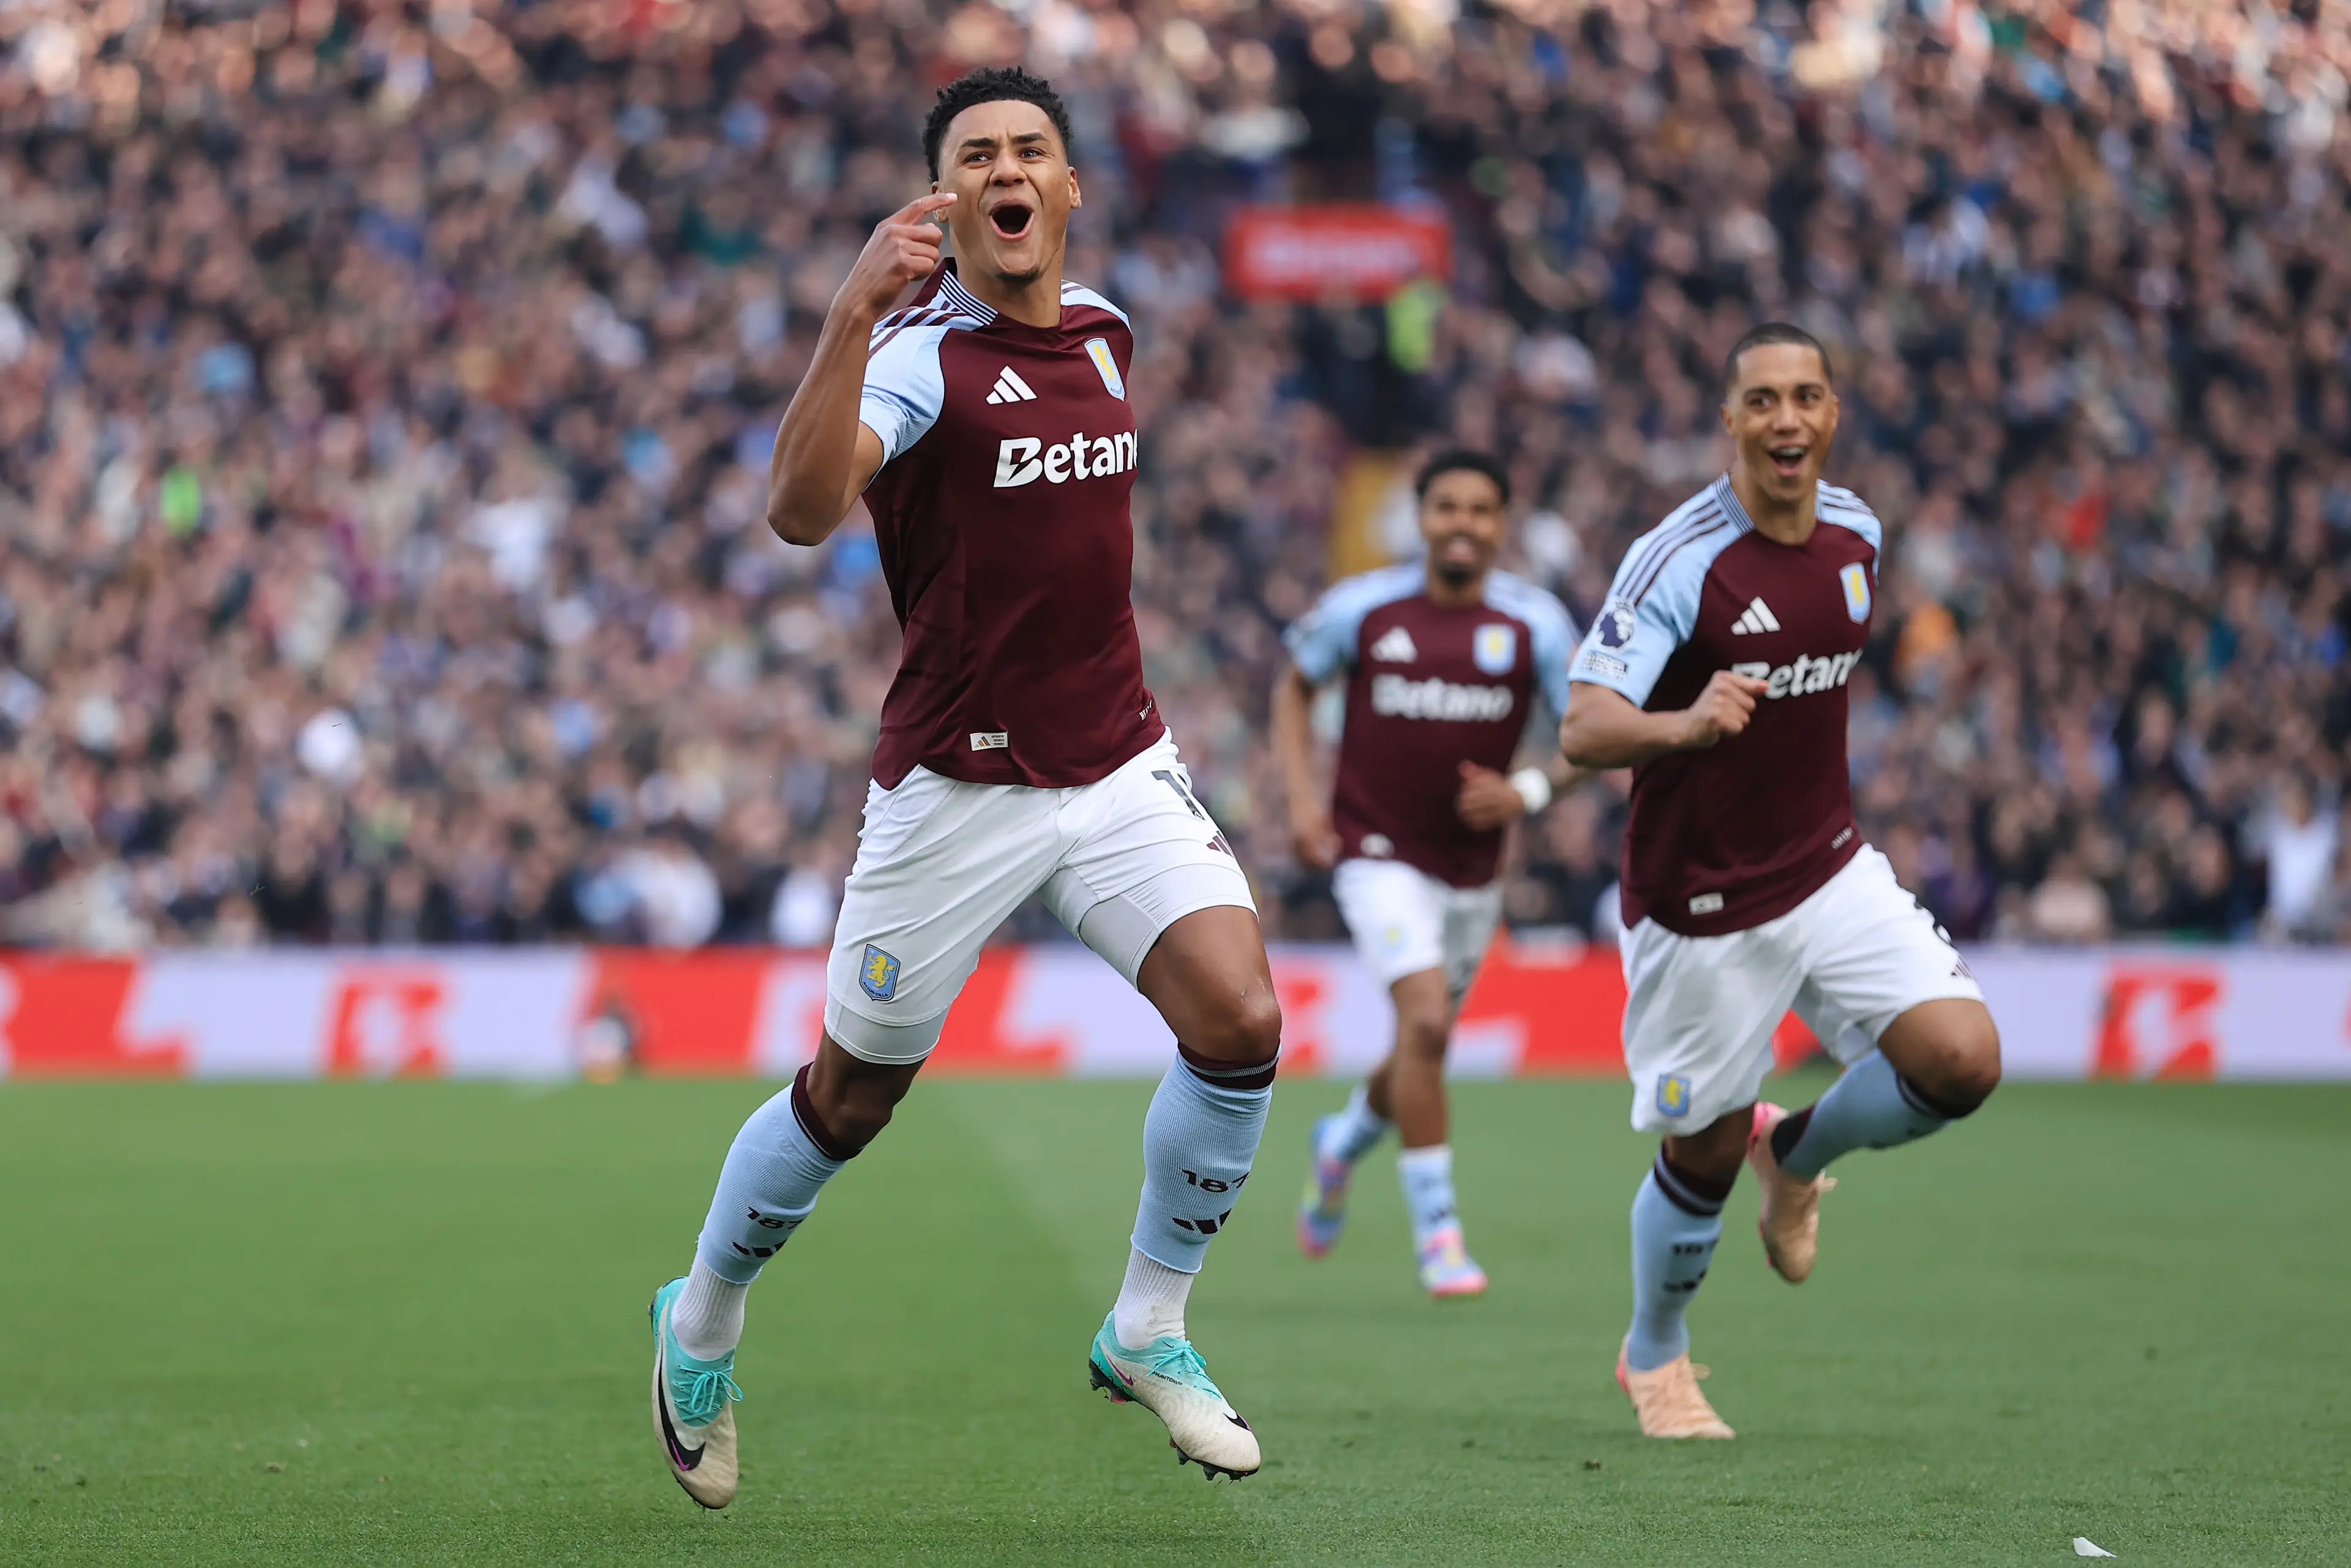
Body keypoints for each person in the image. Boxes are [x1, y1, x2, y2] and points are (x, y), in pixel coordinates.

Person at [644, 67, 1281, 1507]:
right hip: (957, 785)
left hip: (1116, 762)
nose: (1007, 169)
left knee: (1242, 1020)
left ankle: (1148, 1325)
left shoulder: (1109, 331)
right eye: (977, 154)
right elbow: (799, 511)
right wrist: (846, 314)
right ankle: (701, 1317)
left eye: (1029, 149)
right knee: (849, 1098)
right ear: (947, 200)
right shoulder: (916, 360)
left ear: (1067, 188)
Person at [1556, 324, 2003, 1440]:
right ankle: (1655, 1357)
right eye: (1762, 400)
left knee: (1962, 1060)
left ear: (1834, 414)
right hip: (1701, 906)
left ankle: (1795, 1155)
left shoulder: (1858, 534)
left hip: (1828, 867)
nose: (1786, 419)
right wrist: (1686, 722)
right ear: (1731, 421)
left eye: (1806, 397)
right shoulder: (1679, 560)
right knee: (1701, 1154)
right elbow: (1584, 727)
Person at [1272, 450, 1584, 1296]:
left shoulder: (1534, 624)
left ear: (1502, 524)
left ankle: (1341, 1143)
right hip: (1375, 854)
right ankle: (1440, 1233)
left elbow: (1590, 734)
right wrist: (1302, 803)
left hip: (1472, 874)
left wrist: (1525, 791)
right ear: (1420, 517)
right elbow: (1294, 688)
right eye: (1447, 507)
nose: (1462, 524)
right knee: (1425, 1022)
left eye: (1480, 510)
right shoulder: (1364, 609)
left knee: (1423, 1038)